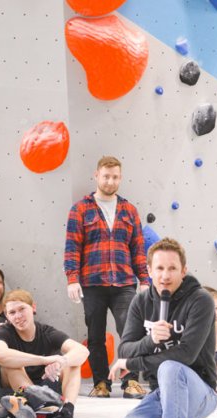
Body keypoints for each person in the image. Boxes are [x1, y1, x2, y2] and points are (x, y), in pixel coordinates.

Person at [110, 238, 217, 418]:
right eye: (159, 268)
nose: (165, 275)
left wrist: (133, 363)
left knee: (170, 367)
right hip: (161, 394)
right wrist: (150, 340)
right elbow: (124, 348)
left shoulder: (201, 300)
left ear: (184, 270)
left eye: (172, 268)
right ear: (149, 270)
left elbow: (186, 355)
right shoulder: (141, 301)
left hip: (199, 393)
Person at [64, 155, 149, 400]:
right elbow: (72, 247)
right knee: (96, 335)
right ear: (96, 176)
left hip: (124, 283)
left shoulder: (130, 210)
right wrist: (72, 278)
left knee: (131, 333)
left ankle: (131, 381)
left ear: (120, 178)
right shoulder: (80, 209)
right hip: (92, 283)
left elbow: (138, 247)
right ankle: (101, 383)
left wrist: (144, 280)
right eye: (105, 176)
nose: (110, 181)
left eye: (114, 177)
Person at [0, 289, 88, 418]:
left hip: (46, 391)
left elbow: (82, 351)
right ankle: (28, 404)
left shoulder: (47, 332)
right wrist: (44, 360)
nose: (17, 316)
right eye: (12, 312)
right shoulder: (3, 332)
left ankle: (67, 409)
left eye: (22, 309)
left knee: (73, 363)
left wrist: (61, 362)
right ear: (7, 316)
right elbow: (0, 355)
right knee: (11, 364)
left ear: (33, 307)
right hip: (12, 390)